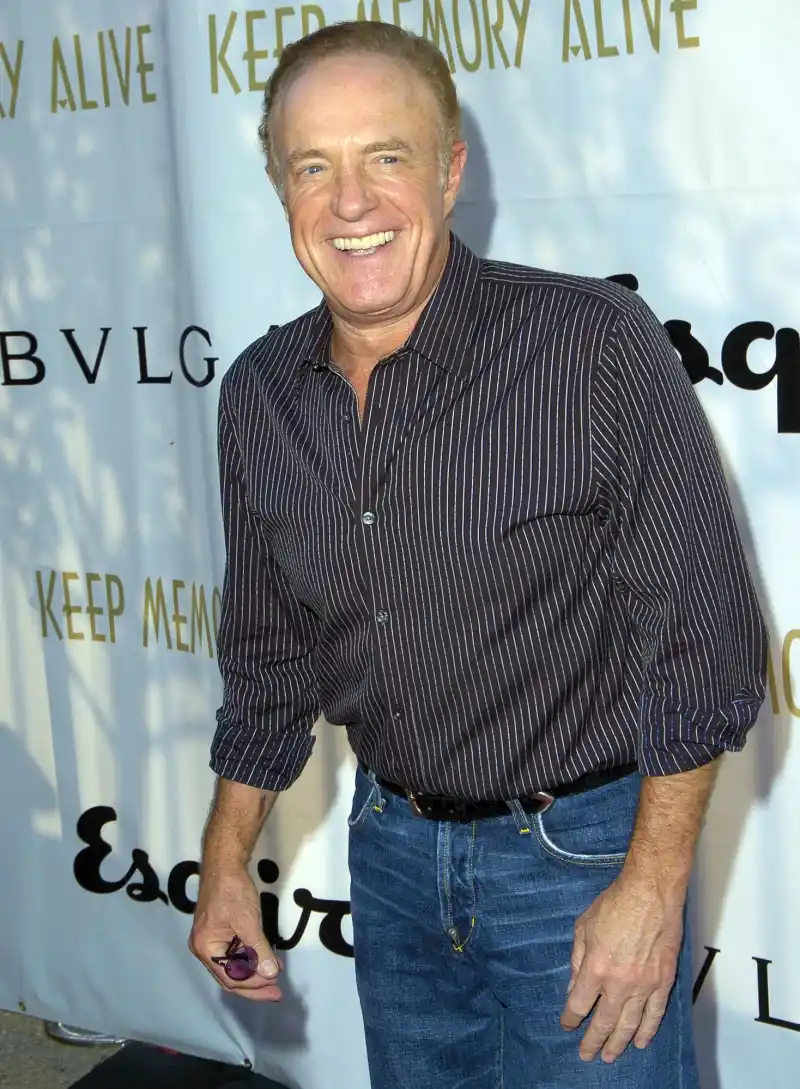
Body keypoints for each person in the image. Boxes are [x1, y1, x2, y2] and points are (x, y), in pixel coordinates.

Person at [188, 19, 768, 1088]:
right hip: (391, 855)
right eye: (312, 167)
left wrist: (650, 889)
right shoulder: (259, 395)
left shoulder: (589, 346)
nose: (349, 202)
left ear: (450, 172)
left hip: (581, 864)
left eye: (385, 157)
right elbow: (267, 661)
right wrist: (225, 862)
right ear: (279, 190)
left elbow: (704, 645)